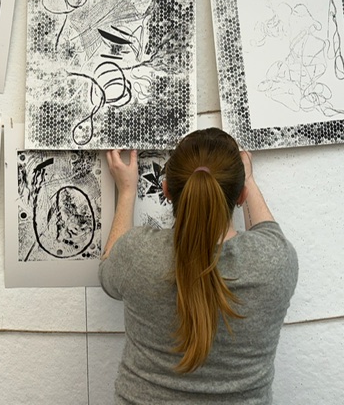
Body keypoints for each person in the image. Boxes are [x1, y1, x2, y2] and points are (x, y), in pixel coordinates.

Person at [99, 127, 298, 404]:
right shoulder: (276, 260)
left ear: (166, 191)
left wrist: (127, 192)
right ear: (241, 196)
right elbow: (269, 232)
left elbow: (107, 269)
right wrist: (249, 180)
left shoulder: (137, 253)